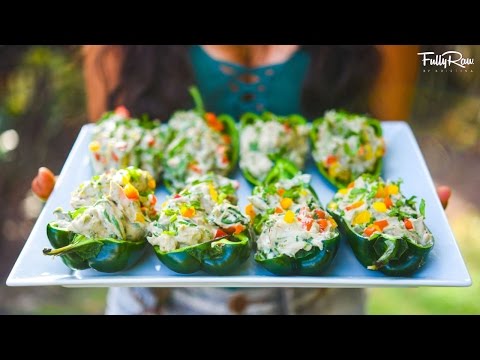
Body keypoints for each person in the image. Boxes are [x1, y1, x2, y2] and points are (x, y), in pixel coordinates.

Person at [32, 45, 451, 315]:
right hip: (149, 301)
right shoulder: (109, 50)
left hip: (323, 299)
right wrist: (86, 209)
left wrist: (396, 211)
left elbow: (386, 147)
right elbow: (104, 151)